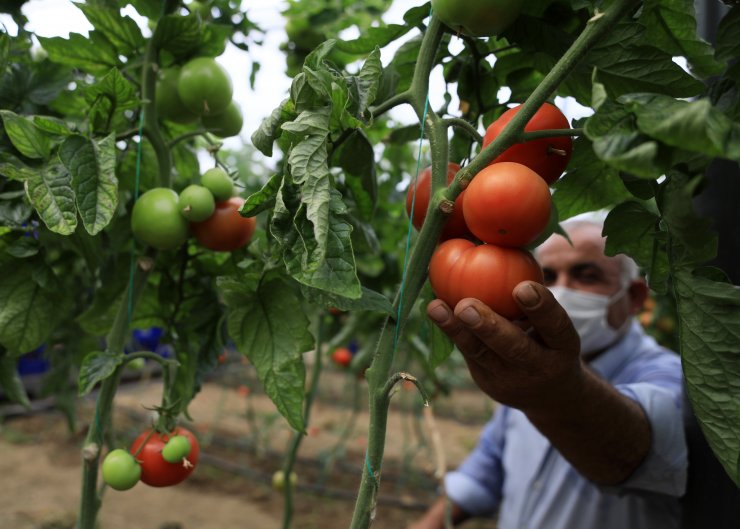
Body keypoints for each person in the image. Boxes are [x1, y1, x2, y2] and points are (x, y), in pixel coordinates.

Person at [410, 213, 687, 529]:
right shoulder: (528, 372)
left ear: (635, 297)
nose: (562, 291)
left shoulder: (672, 376)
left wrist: (556, 396)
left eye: (587, 275)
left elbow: (636, 452)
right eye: (548, 277)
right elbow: (482, 477)